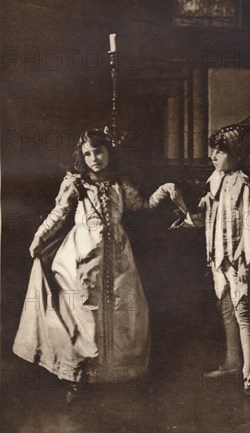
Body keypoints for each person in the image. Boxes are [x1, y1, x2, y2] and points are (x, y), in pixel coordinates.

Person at [13, 128, 185, 402]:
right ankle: (80, 376)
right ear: (82, 157)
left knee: (126, 312)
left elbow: (141, 206)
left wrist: (164, 190)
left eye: (99, 151)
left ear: (108, 151)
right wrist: (39, 236)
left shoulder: (120, 183)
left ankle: (120, 374)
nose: (94, 158)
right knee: (84, 317)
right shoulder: (76, 183)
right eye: (88, 154)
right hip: (81, 257)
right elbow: (59, 214)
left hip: (118, 258)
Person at [174, 114, 250, 396]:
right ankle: (232, 360)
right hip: (217, 258)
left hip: (237, 260)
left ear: (234, 153)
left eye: (220, 150)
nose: (213, 155)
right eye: (213, 149)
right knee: (225, 309)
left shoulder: (244, 184)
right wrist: (185, 214)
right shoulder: (215, 181)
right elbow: (208, 217)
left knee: (243, 311)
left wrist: (248, 259)